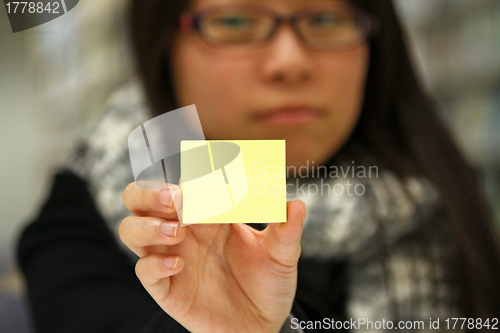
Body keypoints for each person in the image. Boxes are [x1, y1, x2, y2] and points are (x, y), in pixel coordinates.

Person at [17, 0, 500, 332]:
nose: (289, 61)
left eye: (326, 18)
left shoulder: (440, 198)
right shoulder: (88, 214)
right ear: (162, 45)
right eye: (234, 22)